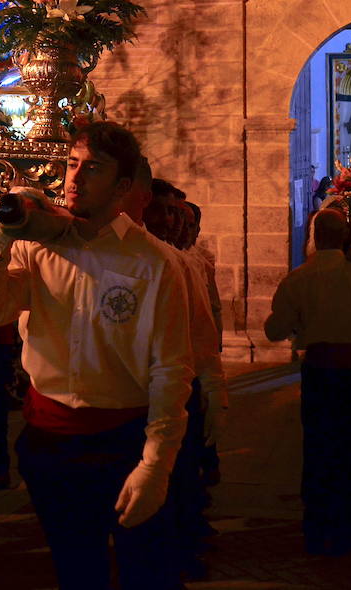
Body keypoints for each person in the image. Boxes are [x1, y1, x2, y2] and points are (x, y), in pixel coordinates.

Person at [0, 122, 193, 590]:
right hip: (51, 441)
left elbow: (170, 371)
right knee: (75, 570)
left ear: (124, 186)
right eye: (71, 164)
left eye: (94, 169)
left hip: (122, 440)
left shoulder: (154, 262)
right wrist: (1, 239)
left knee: (143, 573)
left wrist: (155, 464)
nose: (74, 179)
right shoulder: (36, 245)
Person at [264, 208, 351, 556]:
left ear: (315, 236)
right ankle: (344, 522)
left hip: (321, 373)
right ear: (344, 236)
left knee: (319, 445)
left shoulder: (299, 278)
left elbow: (274, 330)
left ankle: (316, 522)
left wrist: (300, 322)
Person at [124, 161, 227, 579]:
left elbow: (202, 332)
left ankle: (179, 550)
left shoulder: (184, 263)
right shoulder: (130, 259)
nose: (173, 223)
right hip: (135, 394)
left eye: (178, 215)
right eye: (163, 212)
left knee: (182, 477)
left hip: (178, 388)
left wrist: (212, 387)